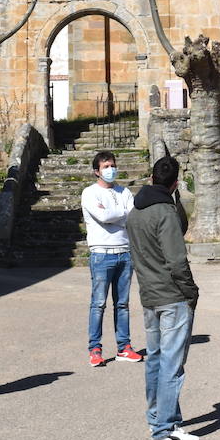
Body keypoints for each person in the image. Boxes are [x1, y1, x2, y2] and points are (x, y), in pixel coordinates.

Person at [127, 156, 201, 440]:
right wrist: (190, 290)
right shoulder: (164, 212)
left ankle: (157, 418)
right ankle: (164, 429)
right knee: (172, 363)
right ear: (175, 182)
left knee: (156, 360)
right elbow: (177, 260)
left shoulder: (135, 213)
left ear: (151, 177)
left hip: (149, 294)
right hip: (171, 295)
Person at [82, 150, 142, 368]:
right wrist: (121, 215)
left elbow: (132, 216)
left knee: (123, 304)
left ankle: (124, 347)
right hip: (101, 254)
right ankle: (95, 349)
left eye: (112, 165)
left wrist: (116, 216)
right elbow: (103, 217)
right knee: (98, 304)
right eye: (106, 166)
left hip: (125, 253)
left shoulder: (124, 191)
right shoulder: (90, 193)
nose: (110, 169)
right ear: (96, 171)